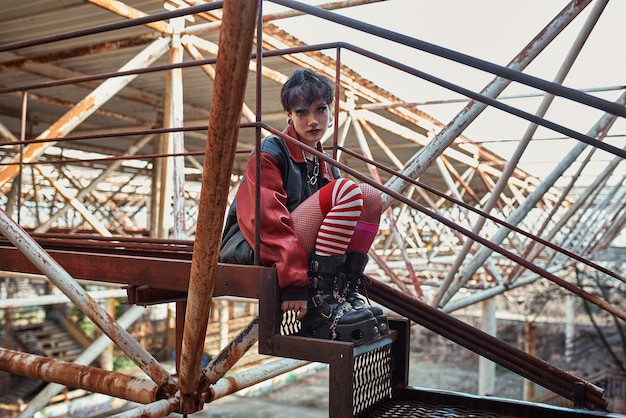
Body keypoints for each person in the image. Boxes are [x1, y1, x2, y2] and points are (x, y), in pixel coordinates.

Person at [220, 68, 388, 345]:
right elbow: (267, 223)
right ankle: (321, 305)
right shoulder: (270, 152)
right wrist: (296, 283)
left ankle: (344, 291)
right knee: (345, 190)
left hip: (294, 246)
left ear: (330, 112)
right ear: (289, 115)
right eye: (302, 112)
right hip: (257, 246)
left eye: (320, 110)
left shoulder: (324, 162)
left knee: (370, 196)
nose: (313, 120)